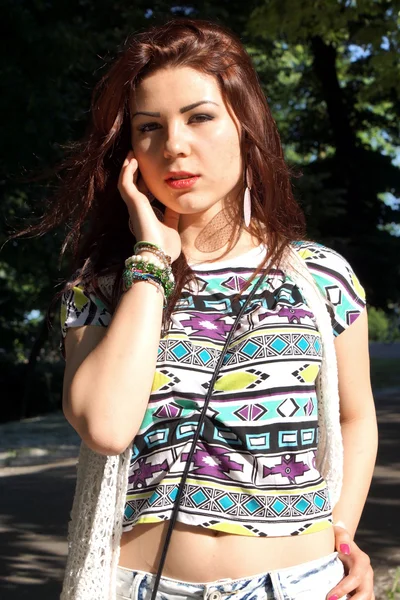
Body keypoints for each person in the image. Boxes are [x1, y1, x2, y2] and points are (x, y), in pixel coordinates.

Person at [57, 18, 377, 600]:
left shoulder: (321, 276)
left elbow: (356, 417)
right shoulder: (102, 290)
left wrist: (345, 538)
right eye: (149, 128)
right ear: (130, 155)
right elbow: (105, 426)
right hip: (142, 586)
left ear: (244, 125)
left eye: (199, 117)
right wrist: (152, 257)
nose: (174, 144)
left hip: (301, 584)